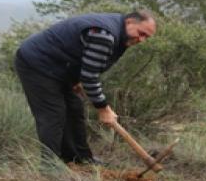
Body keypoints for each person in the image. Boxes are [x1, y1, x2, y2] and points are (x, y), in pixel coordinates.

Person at [15, 10, 156, 166]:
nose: (142, 40)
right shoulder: (104, 35)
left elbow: (87, 62)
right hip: (37, 64)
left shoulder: (119, 32)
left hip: (59, 65)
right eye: (141, 33)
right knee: (53, 114)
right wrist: (104, 109)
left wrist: (75, 79)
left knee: (74, 108)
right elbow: (90, 76)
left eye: (147, 37)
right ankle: (50, 165)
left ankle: (80, 158)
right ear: (129, 22)